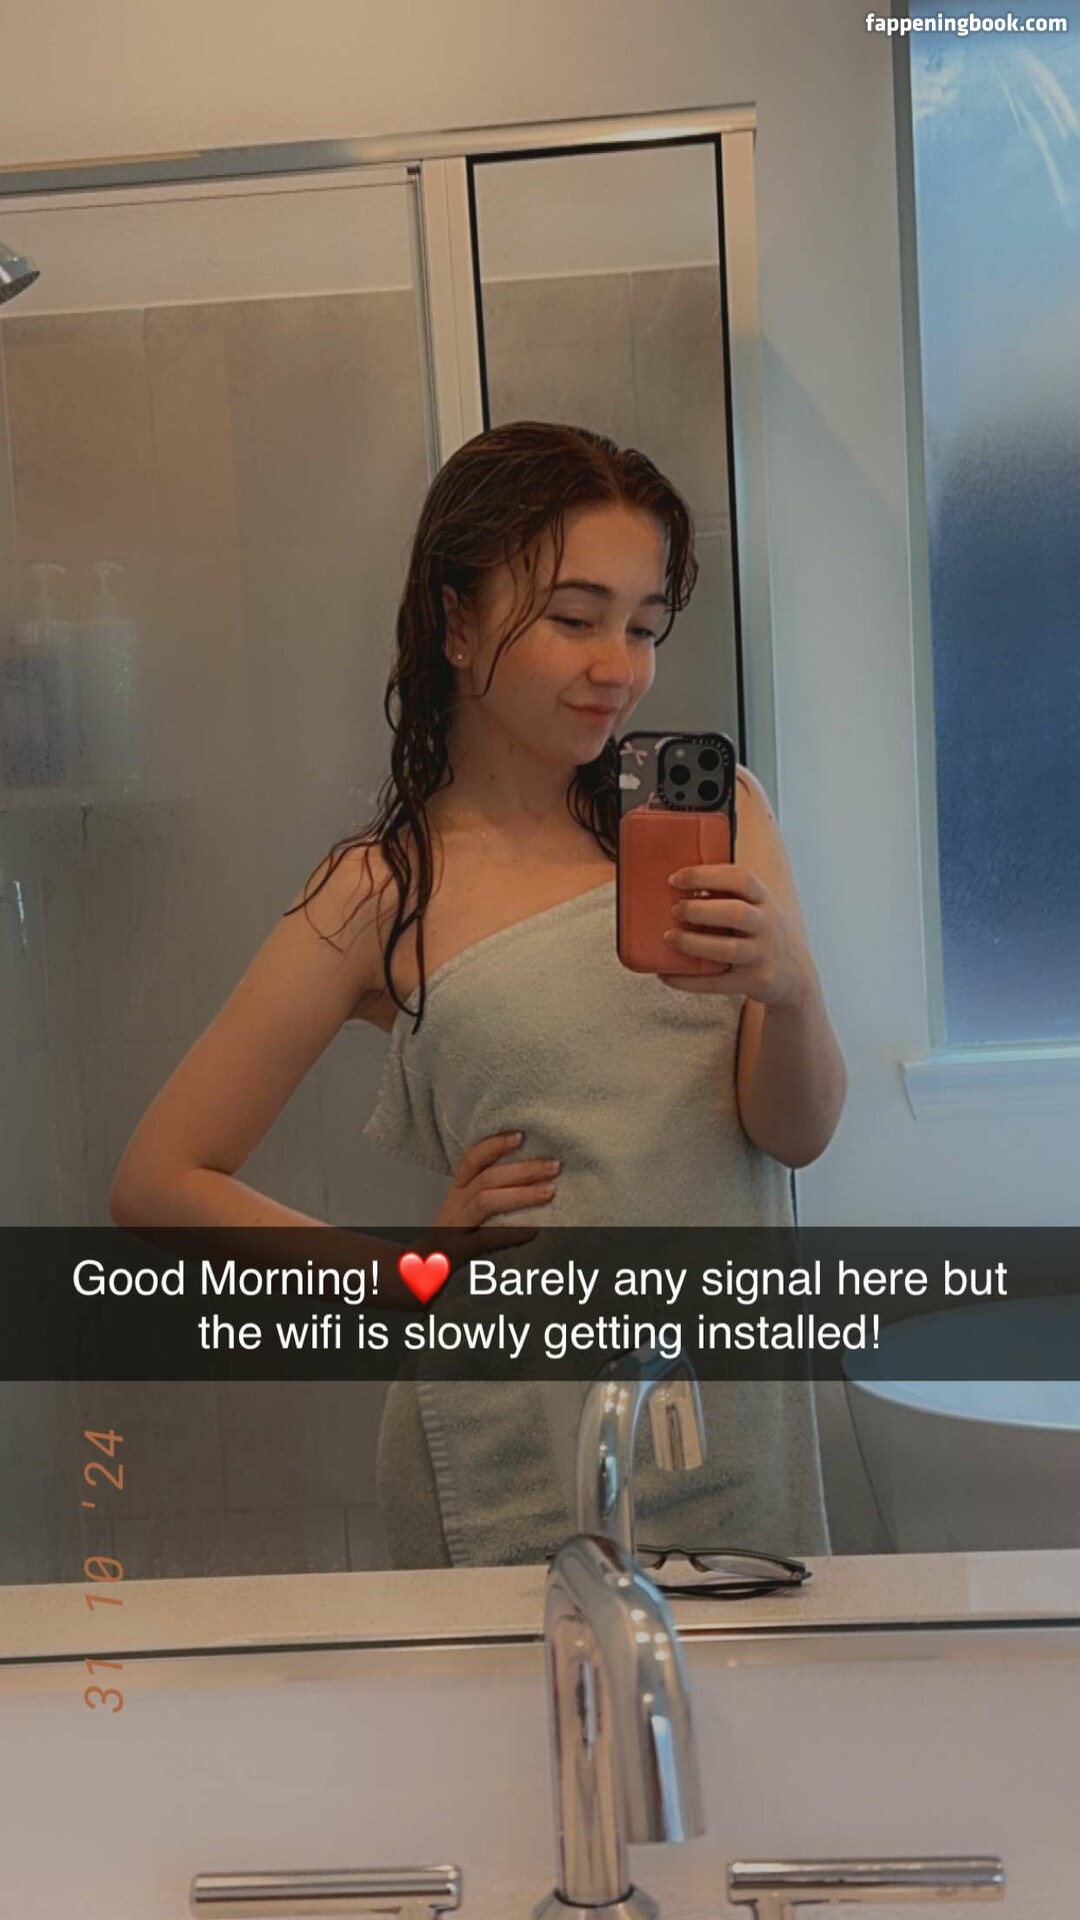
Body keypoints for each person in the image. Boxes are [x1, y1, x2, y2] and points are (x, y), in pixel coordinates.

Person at [110, 420, 847, 1569]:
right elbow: (159, 1179)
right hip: (510, 1430)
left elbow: (792, 1136)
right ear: (457, 624)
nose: (620, 666)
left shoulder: (724, 815)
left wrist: (791, 990)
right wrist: (410, 1274)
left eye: (644, 625)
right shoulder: (379, 891)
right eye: (575, 618)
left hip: (725, 1401)